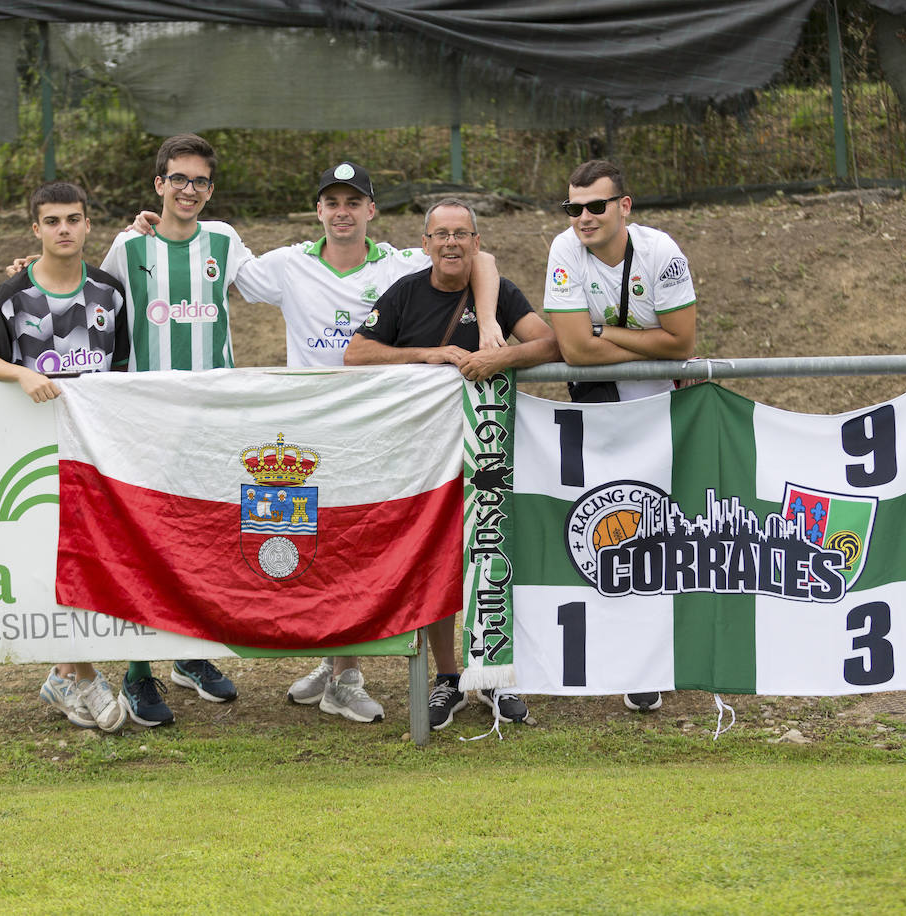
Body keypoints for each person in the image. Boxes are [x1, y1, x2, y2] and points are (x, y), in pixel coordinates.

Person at [127, 161, 504, 725]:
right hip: (307, 427)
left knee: (359, 544)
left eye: (354, 202)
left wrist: (492, 320)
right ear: (319, 210)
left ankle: (346, 674)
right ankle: (337, 669)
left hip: (378, 428)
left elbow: (485, 259)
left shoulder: (400, 261)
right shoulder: (286, 264)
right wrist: (157, 233)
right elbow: (210, 271)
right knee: (319, 548)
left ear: (371, 211)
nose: (343, 212)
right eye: (333, 202)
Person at [343, 197, 561, 730]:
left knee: (494, 553)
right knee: (438, 564)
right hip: (422, 455)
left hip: (488, 451)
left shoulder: (498, 293)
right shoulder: (406, 292)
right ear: (425, 243)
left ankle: (495, 674)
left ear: (476, 242)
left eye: (461, 233)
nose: (450, 243)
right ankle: (448, 677)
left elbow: (551, 344)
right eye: (440, 234)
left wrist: (499, 356)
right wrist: (429, 354)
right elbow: (356, 353)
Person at [94, 133, 251, 728]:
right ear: (159, 184)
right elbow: (93, 303)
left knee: (205, 540)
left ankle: (190, 652)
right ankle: (137, 672)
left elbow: (271, 283)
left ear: (211, 189)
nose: (189, 190)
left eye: (201, 181)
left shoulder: (225, 240)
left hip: (213, 420)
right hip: (145, 421)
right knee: (144, 546)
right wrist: (28, 277)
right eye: (178, 179)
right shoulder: (128, 244)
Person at [0, 180, 129, 733]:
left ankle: (67, 673)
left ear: (87, 225)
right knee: (58, 562)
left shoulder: (110, 292)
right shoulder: (13, 293)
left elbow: (124, 371)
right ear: (36, 229)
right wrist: (21, 372)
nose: (63, 229)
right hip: (31, 457)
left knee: (92, 558)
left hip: (95, 450)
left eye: (73, 219)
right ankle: (82, 675)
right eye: (52, 221)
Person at [542, 158, 698, 713]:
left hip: (663, 412)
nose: (582, 218)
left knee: (660, 536)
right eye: (573, 208)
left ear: (624, 207)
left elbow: (681, 342)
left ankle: (652, 662)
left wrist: (602, 328)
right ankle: (614, 652)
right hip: (600, 410)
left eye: (595, 206)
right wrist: (636, 338)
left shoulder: (661, 252)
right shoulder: (565, 249)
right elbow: (575, 351)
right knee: (604, 532)